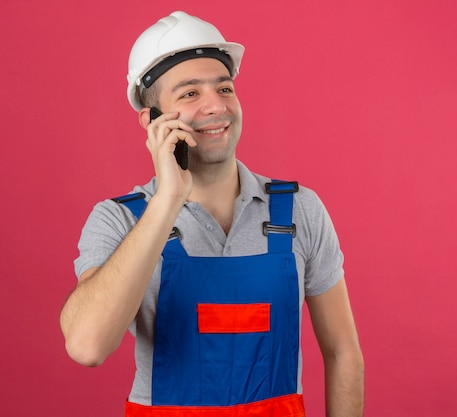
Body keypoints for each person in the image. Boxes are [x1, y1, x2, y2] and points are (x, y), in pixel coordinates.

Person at [60, 11, 364, 417]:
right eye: (189, 94)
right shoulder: (119, 220)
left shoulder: (299, 211)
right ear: (151, 121)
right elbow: (87, 346)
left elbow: (343, 352)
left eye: (224, 87)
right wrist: (168, 199)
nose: (216, 106)